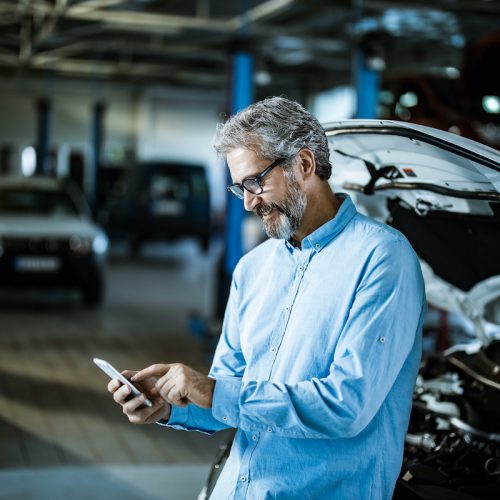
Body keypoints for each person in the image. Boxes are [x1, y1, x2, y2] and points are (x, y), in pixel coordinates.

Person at [108, 96, 426, 499]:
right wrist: (170, 405)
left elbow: (346, 406)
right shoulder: (253, 269)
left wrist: (215, 392)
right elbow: (227, 388)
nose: (248, 202)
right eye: (239, 187)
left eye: (256, 182)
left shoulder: (382, 258)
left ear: (304, 164)